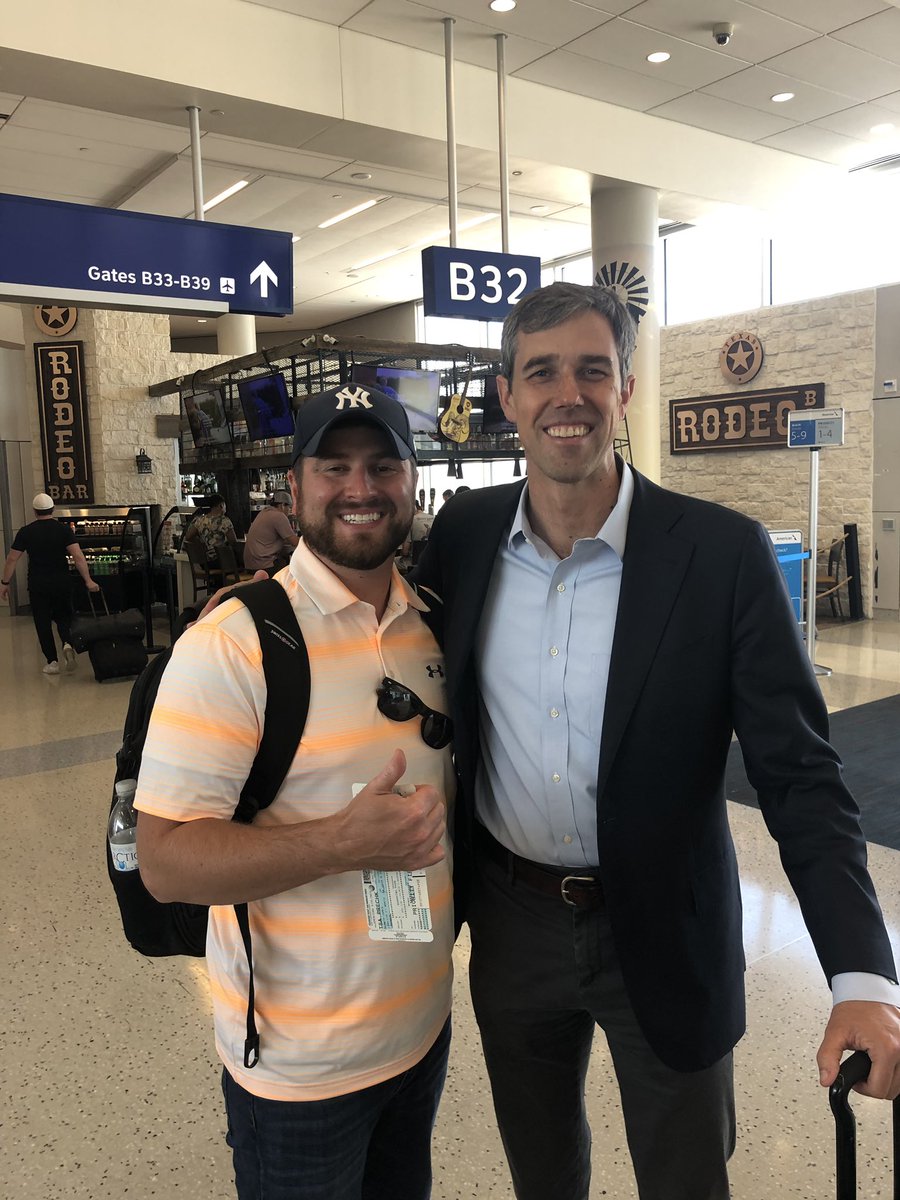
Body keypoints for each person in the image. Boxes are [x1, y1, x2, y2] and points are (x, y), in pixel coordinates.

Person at [413, 281, 900, 1200]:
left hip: (668, 927)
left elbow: (799, 776)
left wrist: (862, 973)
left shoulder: (719, 555)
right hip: (512, 923)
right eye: (542, 372)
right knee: (541, 1171)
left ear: (624, 388)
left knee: (684, 1179)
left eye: (592, 370)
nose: (568, 395)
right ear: (509, 395)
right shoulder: (465, 537)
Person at [134, 385, 455, 1200]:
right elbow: (166, 863)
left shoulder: (432, 626)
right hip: (299, 1071)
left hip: (421, 1035)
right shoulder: (235, 643)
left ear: (412, 481)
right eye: (334, 466)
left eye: (383, 464)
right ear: (295, 486)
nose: (360, 487)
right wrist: (341, 842)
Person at [0, 492, 100, 675]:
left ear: (35, 511)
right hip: (62, 582)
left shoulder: (26, 532)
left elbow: (11, 559)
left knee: (42, 622)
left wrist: (4, 582)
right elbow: (78, 557)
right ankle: (67, 643)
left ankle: (52, 662)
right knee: (64, 617)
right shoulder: (63, 530)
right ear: (52, 509)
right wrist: (88, 580)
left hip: (38, 584)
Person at [242, 490, 299, 574]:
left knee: (285, 560)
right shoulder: (279, 516)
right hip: (264, 566)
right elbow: (295, 542)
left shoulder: (264, 512)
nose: (290, 511)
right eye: (289, 507)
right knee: (292, 571)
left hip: (250, 565)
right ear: (282, 505)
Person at [183, 493, 237, 563]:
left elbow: (188, 536)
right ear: (221, 505)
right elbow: (233, 541)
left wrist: (200, 543)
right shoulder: (224, 521)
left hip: (204, 561)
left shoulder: (200, 520)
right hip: (221, 561)